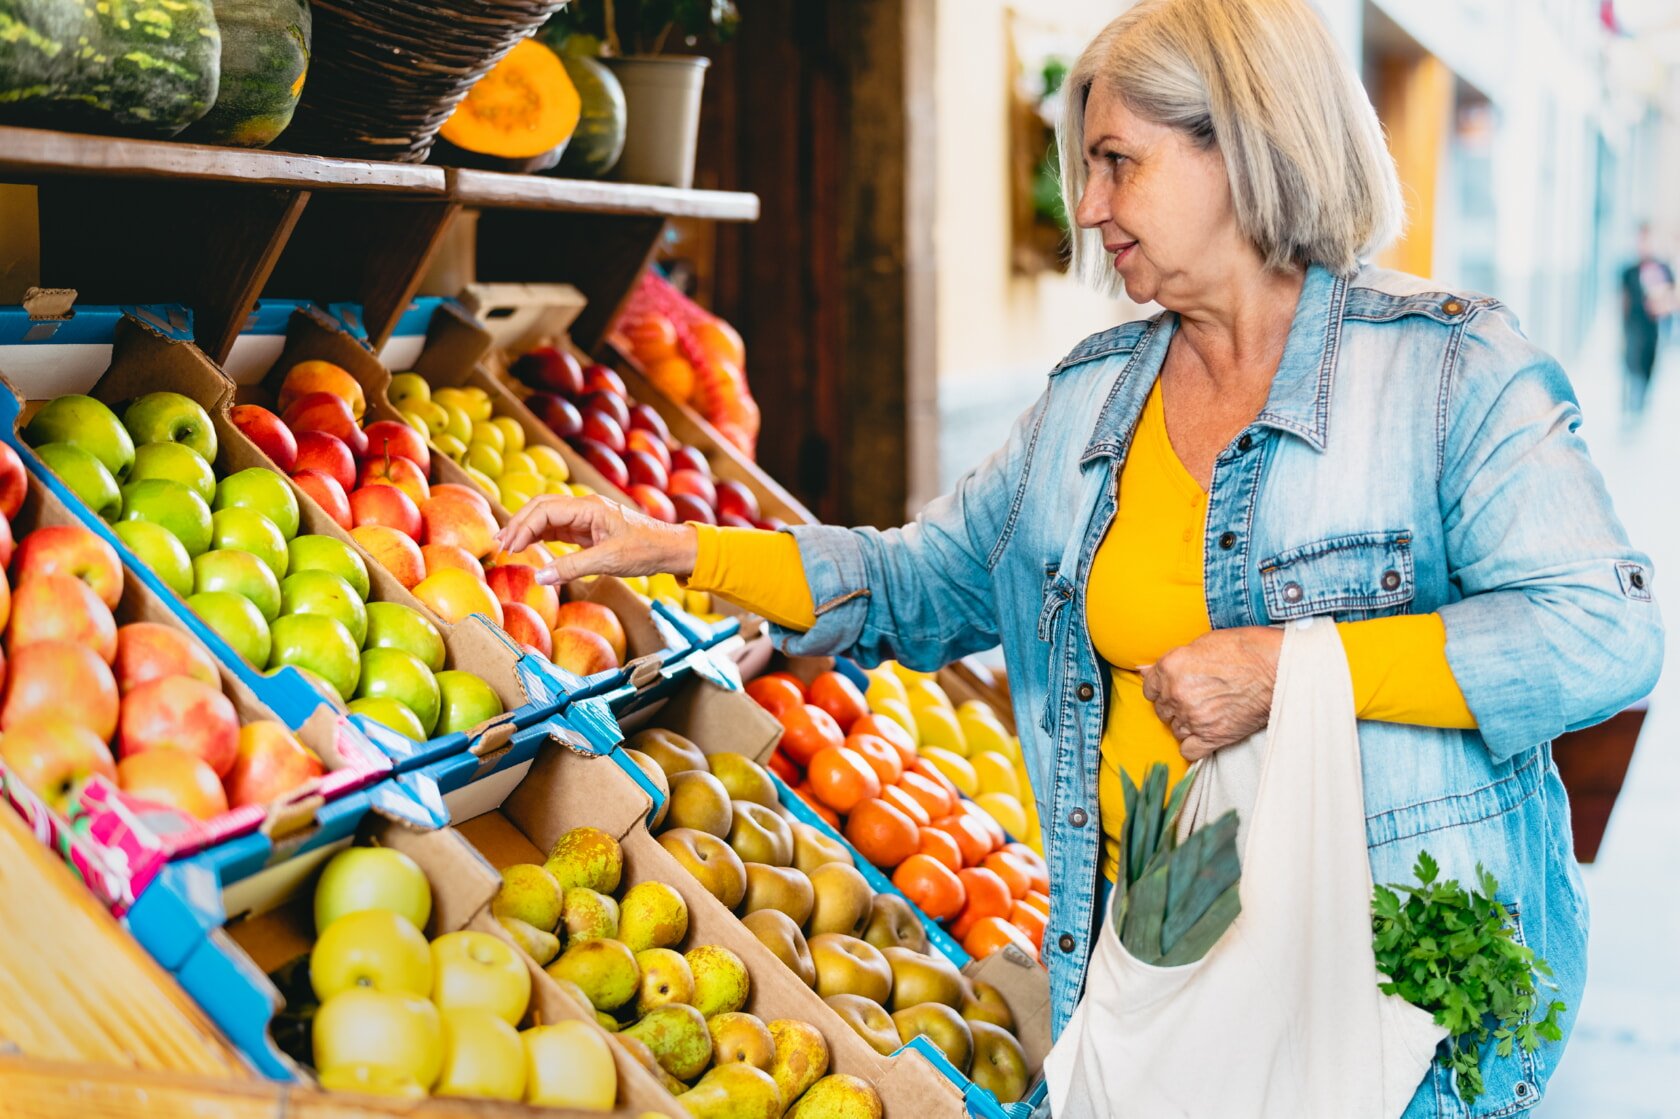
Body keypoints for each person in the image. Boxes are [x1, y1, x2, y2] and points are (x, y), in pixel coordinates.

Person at [499, 0, 1664, 1111]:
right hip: (1152, 984)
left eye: (1119, 162)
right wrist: (676, 547)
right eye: (1084, 167)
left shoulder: (1447, 375)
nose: (1089, 203)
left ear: (1245, 144)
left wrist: (1295, 669)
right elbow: (922, 578)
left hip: (1382, 1001)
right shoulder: (1091, 401)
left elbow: (1601, 634)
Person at [1621, 223, 1674, 421]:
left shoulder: (1663, 268)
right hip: (1633, 326)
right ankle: (1633, 405)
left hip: (1655, 330)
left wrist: (1661, 304)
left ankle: (1642, 402)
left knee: (1648, 366)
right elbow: (1623, 300)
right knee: (1632, 365)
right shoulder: (1629, 271)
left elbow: (1672, 298)